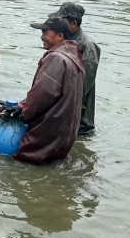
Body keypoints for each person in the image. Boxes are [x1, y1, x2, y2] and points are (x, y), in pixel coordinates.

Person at [7, 17, 85, 164]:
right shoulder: (74, 55)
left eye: (45, 32)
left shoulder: (56, 57)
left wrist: (24, 111)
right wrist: (23, 104)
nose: (41, 37)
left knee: (22, 163)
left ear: (60, 36)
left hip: (49, 130)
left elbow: (44, 94)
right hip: (65, 133)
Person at [51, 2, 100, 135]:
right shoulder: (66, 39)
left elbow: (85, 83)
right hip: (66, 107)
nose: (59, 22)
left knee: (78, 135)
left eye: (62, 19)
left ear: (73, 23)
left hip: (79, 113)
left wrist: (67, 103)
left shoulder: (87, 44)